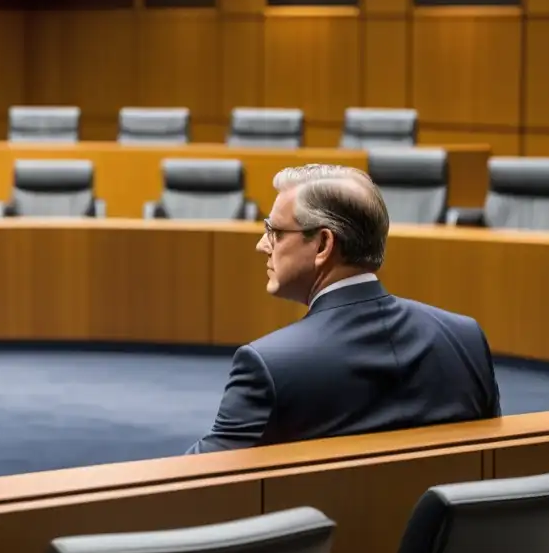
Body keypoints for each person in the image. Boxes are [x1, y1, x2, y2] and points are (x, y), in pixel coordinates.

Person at [187, 164, 501, 454]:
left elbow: (194, 483)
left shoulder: (268, 366)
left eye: (276, 232)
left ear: (323, 245)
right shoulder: (465, 339)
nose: (262, 245)